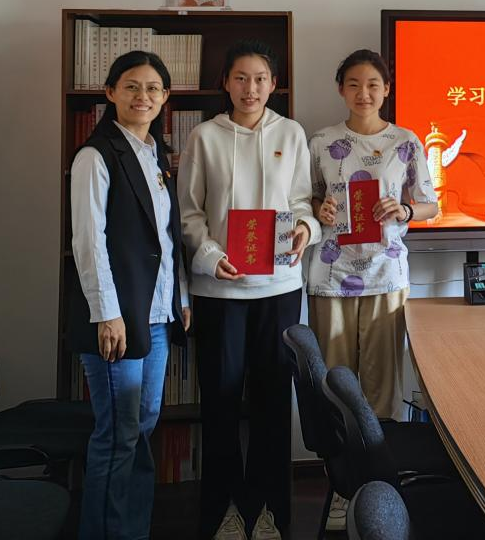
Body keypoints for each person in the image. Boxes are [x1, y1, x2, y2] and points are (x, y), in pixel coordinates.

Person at [178, 40, 320, 540]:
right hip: (219, 292)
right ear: (226, 83)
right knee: (219, 402)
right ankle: (224, 511)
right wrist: (210, 256)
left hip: (279, 289)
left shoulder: (291, 133)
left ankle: (269, 511)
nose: (250, 88)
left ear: (273, 84)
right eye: (240, 78)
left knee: (272, 402)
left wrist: (304, 229)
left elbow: (302, 201)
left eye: (260, 78)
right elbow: (190, 212)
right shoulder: (204, 136)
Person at [305, 49, 439, 530]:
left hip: (385, 276)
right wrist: (317, 208)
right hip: (330, 276)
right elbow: (305, 197)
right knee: (335, 388)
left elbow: (430, 205)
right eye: (354, 84)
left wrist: (405, 211)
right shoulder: (321, 141)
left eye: (373, 85)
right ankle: (343, 490)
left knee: (381, 390)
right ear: (341, 89)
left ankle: (377, 489)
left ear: (387, 90)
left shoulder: (406, 142)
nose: (364, 93)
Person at [68, 49, 190, 540]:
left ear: (165, 97)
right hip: (117, 317)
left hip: (155, 313)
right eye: (132, 87)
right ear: (110, 93)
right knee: (118, 434)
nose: (143, 96)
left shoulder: (155, 155)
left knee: (142, 425)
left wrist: (181, 298)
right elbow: (88, 242)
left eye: (153, 88)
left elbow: (167, 238)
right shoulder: (95, 156)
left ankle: (132, 530)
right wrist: (107, 314)